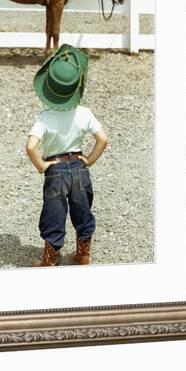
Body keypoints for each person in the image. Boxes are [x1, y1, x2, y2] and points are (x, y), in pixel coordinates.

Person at [26, 44, 108, 267]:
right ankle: (83, 255)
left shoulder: (45, 117)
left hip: (56, 171)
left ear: (49, 89)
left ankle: (49, 261)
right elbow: (103, 139)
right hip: (80, 169)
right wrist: (89, 160)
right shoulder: (85, 113)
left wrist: (41, 165)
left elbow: (31, 146)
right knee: (83, 211)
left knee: (54, 213)